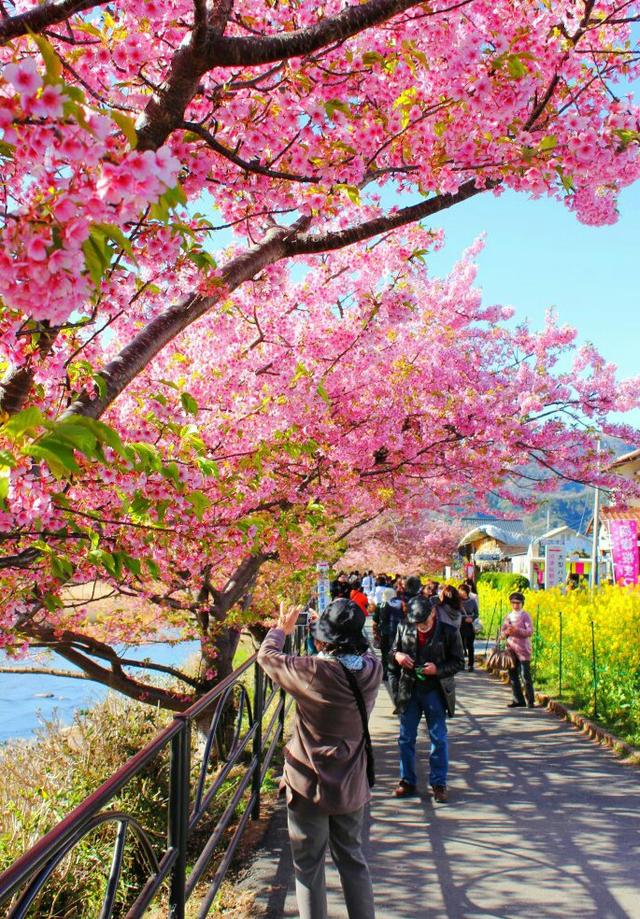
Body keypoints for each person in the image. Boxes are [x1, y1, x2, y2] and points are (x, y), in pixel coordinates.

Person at [258, 599, 382, 919]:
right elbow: (359, 652)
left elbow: (267, 657)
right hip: (352, 780)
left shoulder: (313, 671)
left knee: (309, 866)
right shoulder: (372, 668)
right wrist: (329, 628)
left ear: (320, 640)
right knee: (353, 860)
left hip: (308, 783)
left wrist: (280, 630)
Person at [388, 582, 464, 803]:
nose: (420, 626)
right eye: (416, 623)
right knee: (405, 738)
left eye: (424, 622)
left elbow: (458, 662)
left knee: (438, 737)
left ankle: (438, 782)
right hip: (410, 689)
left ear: (433, 613)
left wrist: (437, 670)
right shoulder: (404, 628)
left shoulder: (449, 632)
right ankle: (407, 780)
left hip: (435, 691)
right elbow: (392, 651)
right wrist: (398, 656)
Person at [501, 591, 535, 708]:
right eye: (513, 603)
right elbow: (503, 632)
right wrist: (506, 632)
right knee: (513, 675)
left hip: (523, 650)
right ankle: (518, 700)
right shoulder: (508, 616)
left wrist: (517, 630)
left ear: (522, 603)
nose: (515, 605)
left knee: (525, 675)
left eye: (518, 603)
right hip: (511, 650)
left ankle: (530, 700)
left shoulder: (525, 615)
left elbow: (530, 632)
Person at [372, 585, 402, 681]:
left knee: (385, 654)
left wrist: (375, 633)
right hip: (397, 633)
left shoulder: (380, 605)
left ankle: (385, 674)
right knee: (396, 652)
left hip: (383, 633)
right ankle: (396, 673)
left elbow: (374, 622)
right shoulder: (400, 605)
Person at [458, 583, 479, 671]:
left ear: (467, 592)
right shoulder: (457, 601)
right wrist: (464, 618)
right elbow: (455, 613)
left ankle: (471, 664)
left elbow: (477, 613)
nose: (461, 593)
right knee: (460, 645)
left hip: (470, 626)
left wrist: (472, 618)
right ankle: (461, 663)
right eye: (459, 592)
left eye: (462, 592)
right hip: (460, 625)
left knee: (470, 645)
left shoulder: (472, 601)